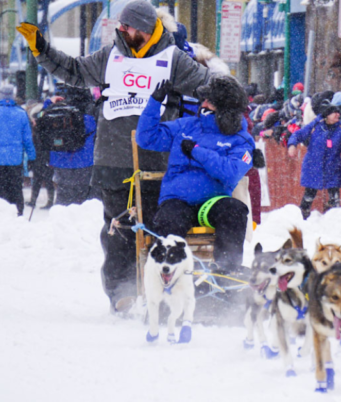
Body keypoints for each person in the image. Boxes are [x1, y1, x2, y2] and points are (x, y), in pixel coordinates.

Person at [16, 0, 211, 312]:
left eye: (128, 26)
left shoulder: (172, 58)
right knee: (119, 229)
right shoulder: (110, 55)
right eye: (121, 25)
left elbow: (208, 85)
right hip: (112, 158)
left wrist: (227, 100)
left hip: (157, 162)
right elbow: (74, 71)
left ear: (146, 29)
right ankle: (121, 292)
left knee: (158, 229)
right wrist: (42, 49)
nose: (122, 30)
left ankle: (160, 293)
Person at [136, 76, 254, 273]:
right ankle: (169, 280)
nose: (203, 103)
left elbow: (231, 173)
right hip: (177, 200)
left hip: (211, 204)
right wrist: (154, 103)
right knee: (169, 220)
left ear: (224, 108)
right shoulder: (185, 126)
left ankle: (227, 274)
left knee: (235, 210)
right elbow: (146, 138)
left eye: (209, 100)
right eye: (204, 99)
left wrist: (197, 151)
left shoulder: (241, 140)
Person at [287, 105, 341, 220]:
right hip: (313, 166)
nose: (338, 115)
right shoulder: (315, 126)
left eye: (338, 112)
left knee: (334, 197)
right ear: (327, 115)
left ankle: (334, 219)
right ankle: (303, 217)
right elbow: (298, 134)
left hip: (333, 166)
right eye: (334, 113)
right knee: (309, 195)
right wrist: (292, 145)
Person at [46, 86, 98, 206]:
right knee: (84, 197)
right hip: (85, 160)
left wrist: (49, 102)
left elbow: (41, 120)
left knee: (63, 196)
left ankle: (61, 218)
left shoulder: (58, 111)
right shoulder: (92, 113)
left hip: (61, 160)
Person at [0, 85, 35, 216]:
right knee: (15, 188)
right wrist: (32, 157)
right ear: (12, 96)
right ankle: (18, 213)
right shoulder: (21, 114)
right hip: (15, 160)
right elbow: (27, 140)